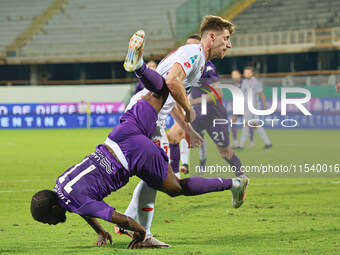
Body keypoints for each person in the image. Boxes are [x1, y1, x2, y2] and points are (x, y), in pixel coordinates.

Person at [30, 33, 248, 249]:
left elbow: (115, 216)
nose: (50, 224)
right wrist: (100, 231)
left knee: (175, 187)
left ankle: (231, 184)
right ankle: (139, 67)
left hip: (134, 154)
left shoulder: (78, 203)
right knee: (161, 91)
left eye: (47, 221)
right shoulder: (61, 184)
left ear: (54, 210)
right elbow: (82, 209)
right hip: (120, 135)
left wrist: (140, 233)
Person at [118, 16, 248, 247]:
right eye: (226, 39)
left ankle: (136, 227)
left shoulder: (194, 58)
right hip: (146, 115)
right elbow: (172, 82)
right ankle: (126, 222)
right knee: (167, 182)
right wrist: (190, 111)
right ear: (211, 36)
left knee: (155, 177)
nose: (228, 44)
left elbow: (171, 98)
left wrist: (187, 129)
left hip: (151, 117)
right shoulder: (195, 54)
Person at [168, 35, 245, 180]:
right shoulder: (186, 64)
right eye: (187, 44)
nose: (189, 48)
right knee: (173, 136)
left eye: (193, 45)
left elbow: (219, 93)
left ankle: (242, 177)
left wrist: (195, 101)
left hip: (213, 114)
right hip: (196, 113)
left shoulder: (207, 66)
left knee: (225, 152)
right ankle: (176, 179)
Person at [237, 66, 272, 149]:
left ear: (252, 73)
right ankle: (268, 143)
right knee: (256, 124)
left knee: (245, 123)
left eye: (248, 72)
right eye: (245, 73)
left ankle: (241, 145)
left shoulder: (256, 82)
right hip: (246, 106)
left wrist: (264, 106)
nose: (247, 74)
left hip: (252, 106)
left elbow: (261, 94)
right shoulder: (245, 81)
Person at [230, 70, 254, 148]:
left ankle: (251, 142)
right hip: (239, 106)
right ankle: (235, 141)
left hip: (245, 105)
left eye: (236, 74)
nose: (234, 76)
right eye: (233, 75)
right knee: (232, 121)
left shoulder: (244, 82)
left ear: (240, 75)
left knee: (247, 123)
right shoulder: (235, 84)